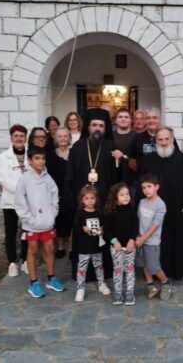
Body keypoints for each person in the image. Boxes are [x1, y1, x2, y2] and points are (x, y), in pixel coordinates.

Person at [67, 108, 123, 281]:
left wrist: (119, 160)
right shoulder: (78, 147)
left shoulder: (111, 146)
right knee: (83, 235)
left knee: (103, 234)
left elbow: (117, 176)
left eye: (101, 125)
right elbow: (70, 175)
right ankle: (83, 273)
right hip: (83, 203)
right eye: (94, 125)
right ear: (88, 127)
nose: (97, 128)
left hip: (104, 202)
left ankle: (104, 272)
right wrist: (72, 200)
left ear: (105, 128)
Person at [139, 127, 183, 280]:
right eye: (160, 139)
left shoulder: (182, 159)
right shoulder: (148, 160)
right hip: (153, 208)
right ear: (155, 141)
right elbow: (142, 184)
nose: (164, 142)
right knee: (154, 240)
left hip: (176, 208)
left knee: (176, 239)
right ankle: (155, 271)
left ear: (172, 139)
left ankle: (176, 271)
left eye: (167, 139)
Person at [15, 146, 66, 298]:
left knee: (50, 248)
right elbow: (19, 202)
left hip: (47, 222)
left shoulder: (47, 177)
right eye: (37, 158)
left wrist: (53, 213)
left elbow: (54, 195)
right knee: (32, 250)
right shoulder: (24, 179)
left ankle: (51, 278)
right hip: (32, 224)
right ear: (30, 160)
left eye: (43, 158)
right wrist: (29, 219)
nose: (41, 161)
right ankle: (33, 283)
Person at [0, 124, 29, 277]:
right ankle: (11, 262)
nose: (19, 138)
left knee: (26, 231)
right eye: (16, 136)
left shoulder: (31, 154)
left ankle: (25, 260)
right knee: (10, 231)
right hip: (10, 201)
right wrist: (22, 191)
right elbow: (4, 179)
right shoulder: (4, 157)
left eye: (22, 136)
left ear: (25, 138)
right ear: (11, 138)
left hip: (28, 201)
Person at [135, 173, 171, 300]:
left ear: (157, 187)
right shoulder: (142, 202)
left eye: (149, 186)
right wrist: (138, 237)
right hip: (140, 241)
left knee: (153, 267)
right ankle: (151, 286)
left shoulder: (160, 205)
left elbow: (155, 225)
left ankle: (166, 283)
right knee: (144, 264)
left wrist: (143, 238)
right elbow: (138, 220)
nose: (146, 190)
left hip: (151, 242)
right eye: (143, 187)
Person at [73, 185, 111, 302]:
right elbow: (75, 228)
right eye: (87, 198)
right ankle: (80, 288)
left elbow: (103, 225)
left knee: (99, 266)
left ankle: (101, 283)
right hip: (84, 247)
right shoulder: (80, 213)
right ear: (82, 200)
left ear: (96, 199)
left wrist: (102, 230)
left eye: (92, 198)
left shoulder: (99, 212)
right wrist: (83, 228)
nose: (90, 201)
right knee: (82, 268)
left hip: (96, 246)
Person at [103, 182, 138, 305]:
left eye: (127, 194)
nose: (126, 197)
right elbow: (106, 230)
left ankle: (129, 292)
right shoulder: (110, 212)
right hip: (116, 247)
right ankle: (118, 292)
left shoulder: (132, 210)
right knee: (118, 270)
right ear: (115, 197)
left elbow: (135, 226)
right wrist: (114, 241)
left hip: (129, 246)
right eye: (122, 195)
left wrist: (132, 240)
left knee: (130, 269)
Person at [46, 127, 74, 259]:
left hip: (71, 192)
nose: (63, 139)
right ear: (56, 139)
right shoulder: (51, 154)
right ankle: (61, 246)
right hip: (55, 192)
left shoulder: (74, 153)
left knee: (71, 220)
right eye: (60, 136)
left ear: (69, 138)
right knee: (59, 220)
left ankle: (71, 247)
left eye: (65, 136)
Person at [112, 108, 135, 186]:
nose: (123, 119)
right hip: (113, 179)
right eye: (120, 117)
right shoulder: (110, 137)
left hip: (132, 180)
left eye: (126, 117)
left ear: (131, 120)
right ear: (116, 120)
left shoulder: (137, 137)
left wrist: (123, 157)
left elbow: (139, 160)